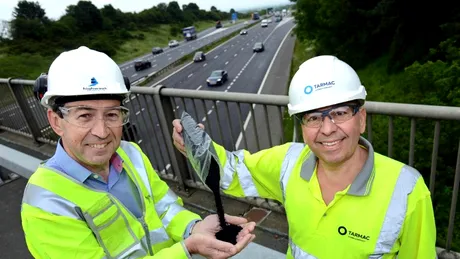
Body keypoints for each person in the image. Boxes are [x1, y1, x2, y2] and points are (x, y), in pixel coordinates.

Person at [172, 55, 437, 258]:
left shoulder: (407, 191)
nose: (327, 128)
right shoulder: (288, 162)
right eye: (313, 117)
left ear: (362, 118)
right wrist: (196, 147)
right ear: (301, 126)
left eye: (341, 112)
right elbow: (231, 172)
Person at [21, 46, 255, 259]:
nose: (102, 132)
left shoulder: (130, 153)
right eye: (85, 116)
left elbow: (164, 207)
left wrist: (193, 228)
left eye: (112, 115)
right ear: (56, 121)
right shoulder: (45, 203)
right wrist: (187, 249)